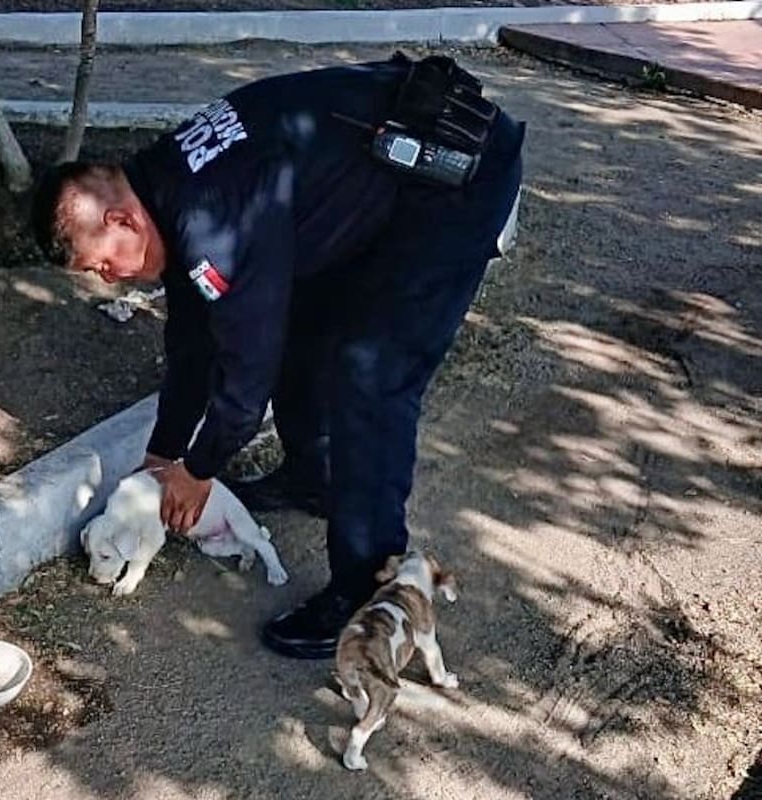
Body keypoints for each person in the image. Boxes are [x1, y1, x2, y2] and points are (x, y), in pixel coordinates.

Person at [28, 52, 525, 659]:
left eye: (100, 262)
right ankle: (312, 478)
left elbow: (247, 372)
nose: (108, 279)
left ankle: (367, 591)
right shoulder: (166, 188)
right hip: (383, 176)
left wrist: (199, 468)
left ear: (120, 218)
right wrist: (164, 453)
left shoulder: (213, 219)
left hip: (453, 183)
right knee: (301, 330)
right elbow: (192, 335)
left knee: (368, 377)